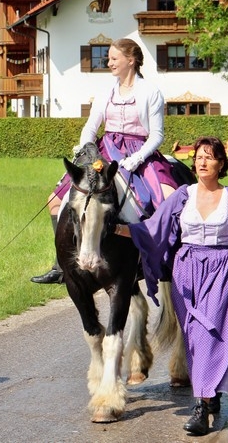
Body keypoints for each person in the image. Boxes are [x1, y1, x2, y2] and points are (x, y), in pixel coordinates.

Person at [112, 137, 228, 436]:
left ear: (221, 163)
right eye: (198, 157)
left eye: (209, 157)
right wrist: (117, 229)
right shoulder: (183, 195)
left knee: (211, 335)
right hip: (186, 269)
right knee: (194, 337)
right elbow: (152, 229)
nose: (201, 162)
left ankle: (201, 407)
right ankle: (211, 390)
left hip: (221, 269)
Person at [32, 37, 177, 284]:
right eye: (108, 58)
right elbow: (91, 127)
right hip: (105, 150)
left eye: (113, 58)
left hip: (139, 151)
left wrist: (138, 158)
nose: (108, 62)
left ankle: (159, 257)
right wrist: (88, 149)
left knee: (166, 195)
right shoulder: (105, 92)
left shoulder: (151, 92)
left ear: (130, 60)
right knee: (55, 200)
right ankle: (61, 264)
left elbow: (157, 135)